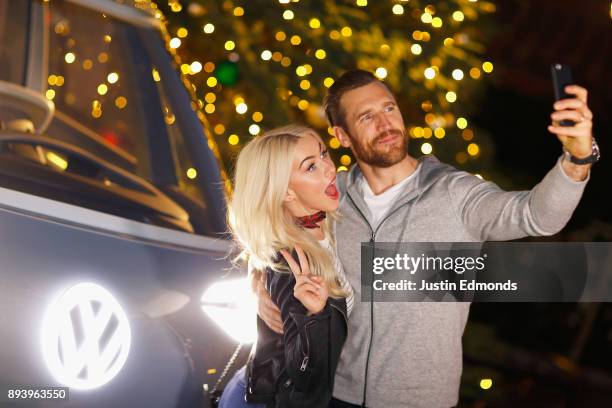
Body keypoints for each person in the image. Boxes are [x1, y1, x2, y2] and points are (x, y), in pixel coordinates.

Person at [255, 70, 596, 407]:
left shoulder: (455, 194)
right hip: (336, 395)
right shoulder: (333, 197)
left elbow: (537, 216)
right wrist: (258, 285)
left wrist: (577, 159)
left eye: (389, 109)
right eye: (367, 116)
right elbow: (271, 232)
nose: (385, 124)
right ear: (342, 136)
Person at [219, 125, 354, 408]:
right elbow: (300, 383)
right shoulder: (289, 264)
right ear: (286, 193)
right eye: (311, 167)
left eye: (324, 154)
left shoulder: (328, 219)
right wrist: (314, 317)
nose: (330, 169)